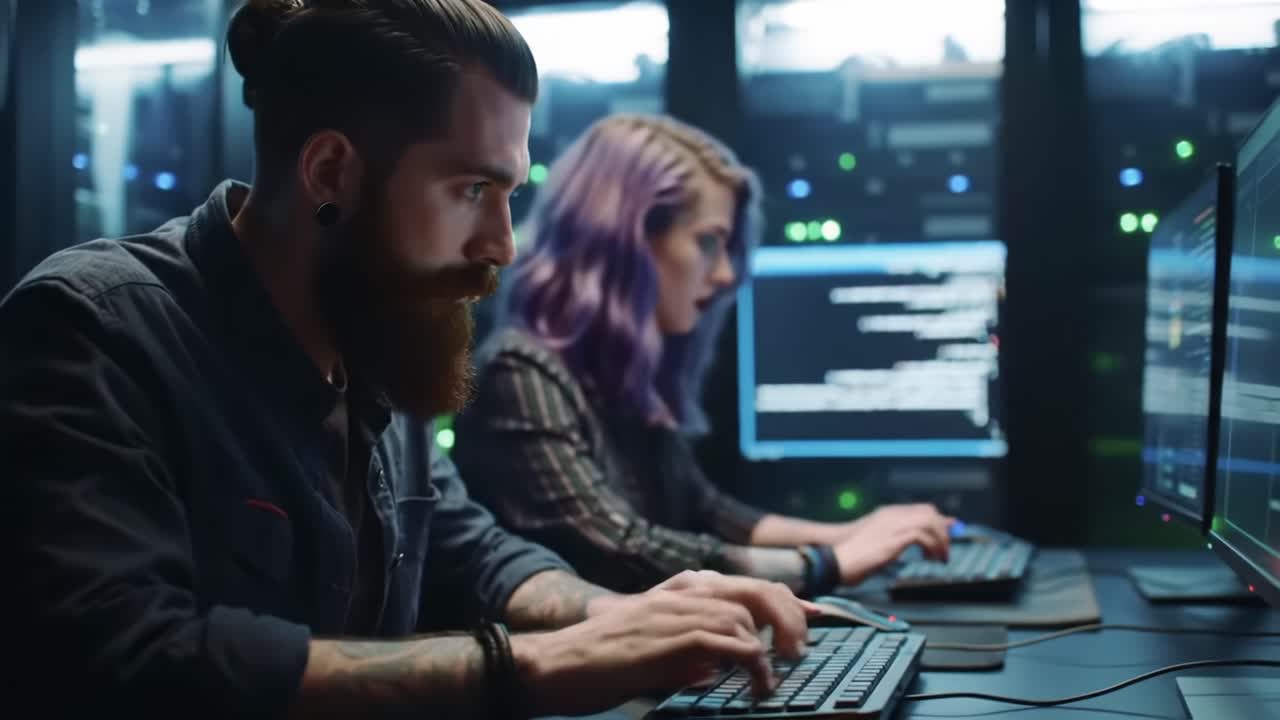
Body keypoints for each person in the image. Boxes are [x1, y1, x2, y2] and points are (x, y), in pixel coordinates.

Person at [0, 2, 814, 717]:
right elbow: (129, 654)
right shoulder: (95, 330)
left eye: (509, 196)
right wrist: (535, 664)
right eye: (472, 191)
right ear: (330, 172)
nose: (502, 245)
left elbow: (473, 550)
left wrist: (618, 617)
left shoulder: (375, 334)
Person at [452, 114, 957, 599]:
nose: (724, 275)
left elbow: (705, 512)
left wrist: (851, 535)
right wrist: (825, 564)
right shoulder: (520, 372)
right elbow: (620, 549)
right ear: (627, 243)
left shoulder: (616, 376)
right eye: (709, 243)